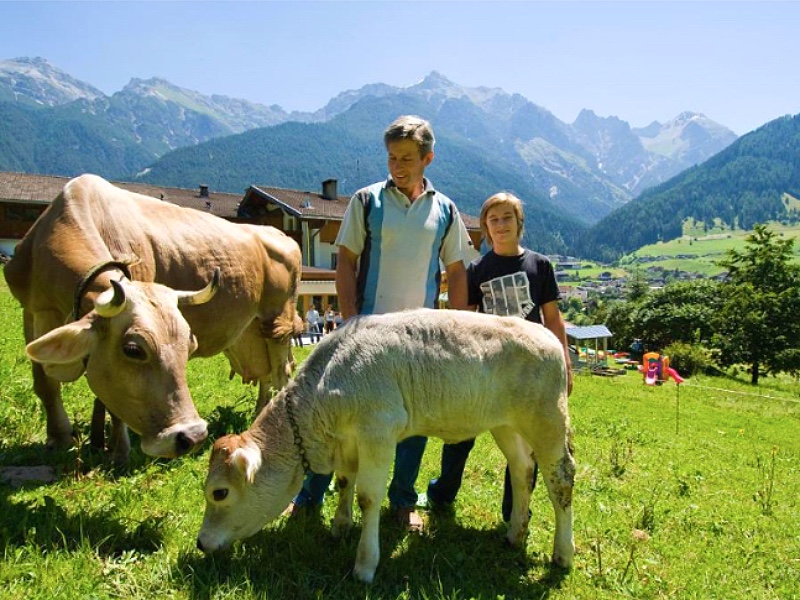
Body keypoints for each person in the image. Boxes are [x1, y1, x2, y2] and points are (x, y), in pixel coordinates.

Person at [288, 115, 474, 531]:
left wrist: (456, 327)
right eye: (392, 157)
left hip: (420, 341)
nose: (398, 165)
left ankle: (403, 501)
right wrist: (352, 320)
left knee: (415, 420)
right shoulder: (366, 201)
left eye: (407, 158)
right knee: (336, 420)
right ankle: (309, 495)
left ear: (428, 158)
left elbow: (458, 270)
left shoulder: (444, 209)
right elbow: (347, 261)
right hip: (366, 335)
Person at [426, 191, 573, 521]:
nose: (501, 224)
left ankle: (514, 511)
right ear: (485, 228)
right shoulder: (478, 269)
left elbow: (552, 318)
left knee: (523, 445)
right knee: (459, 433)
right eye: (494, 220)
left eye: (508, 217)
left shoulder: (540, 265)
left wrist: (565, 364)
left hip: (527, 372)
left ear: (520, 223)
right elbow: (468, 321)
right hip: (486, 371)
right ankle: (443, 492)